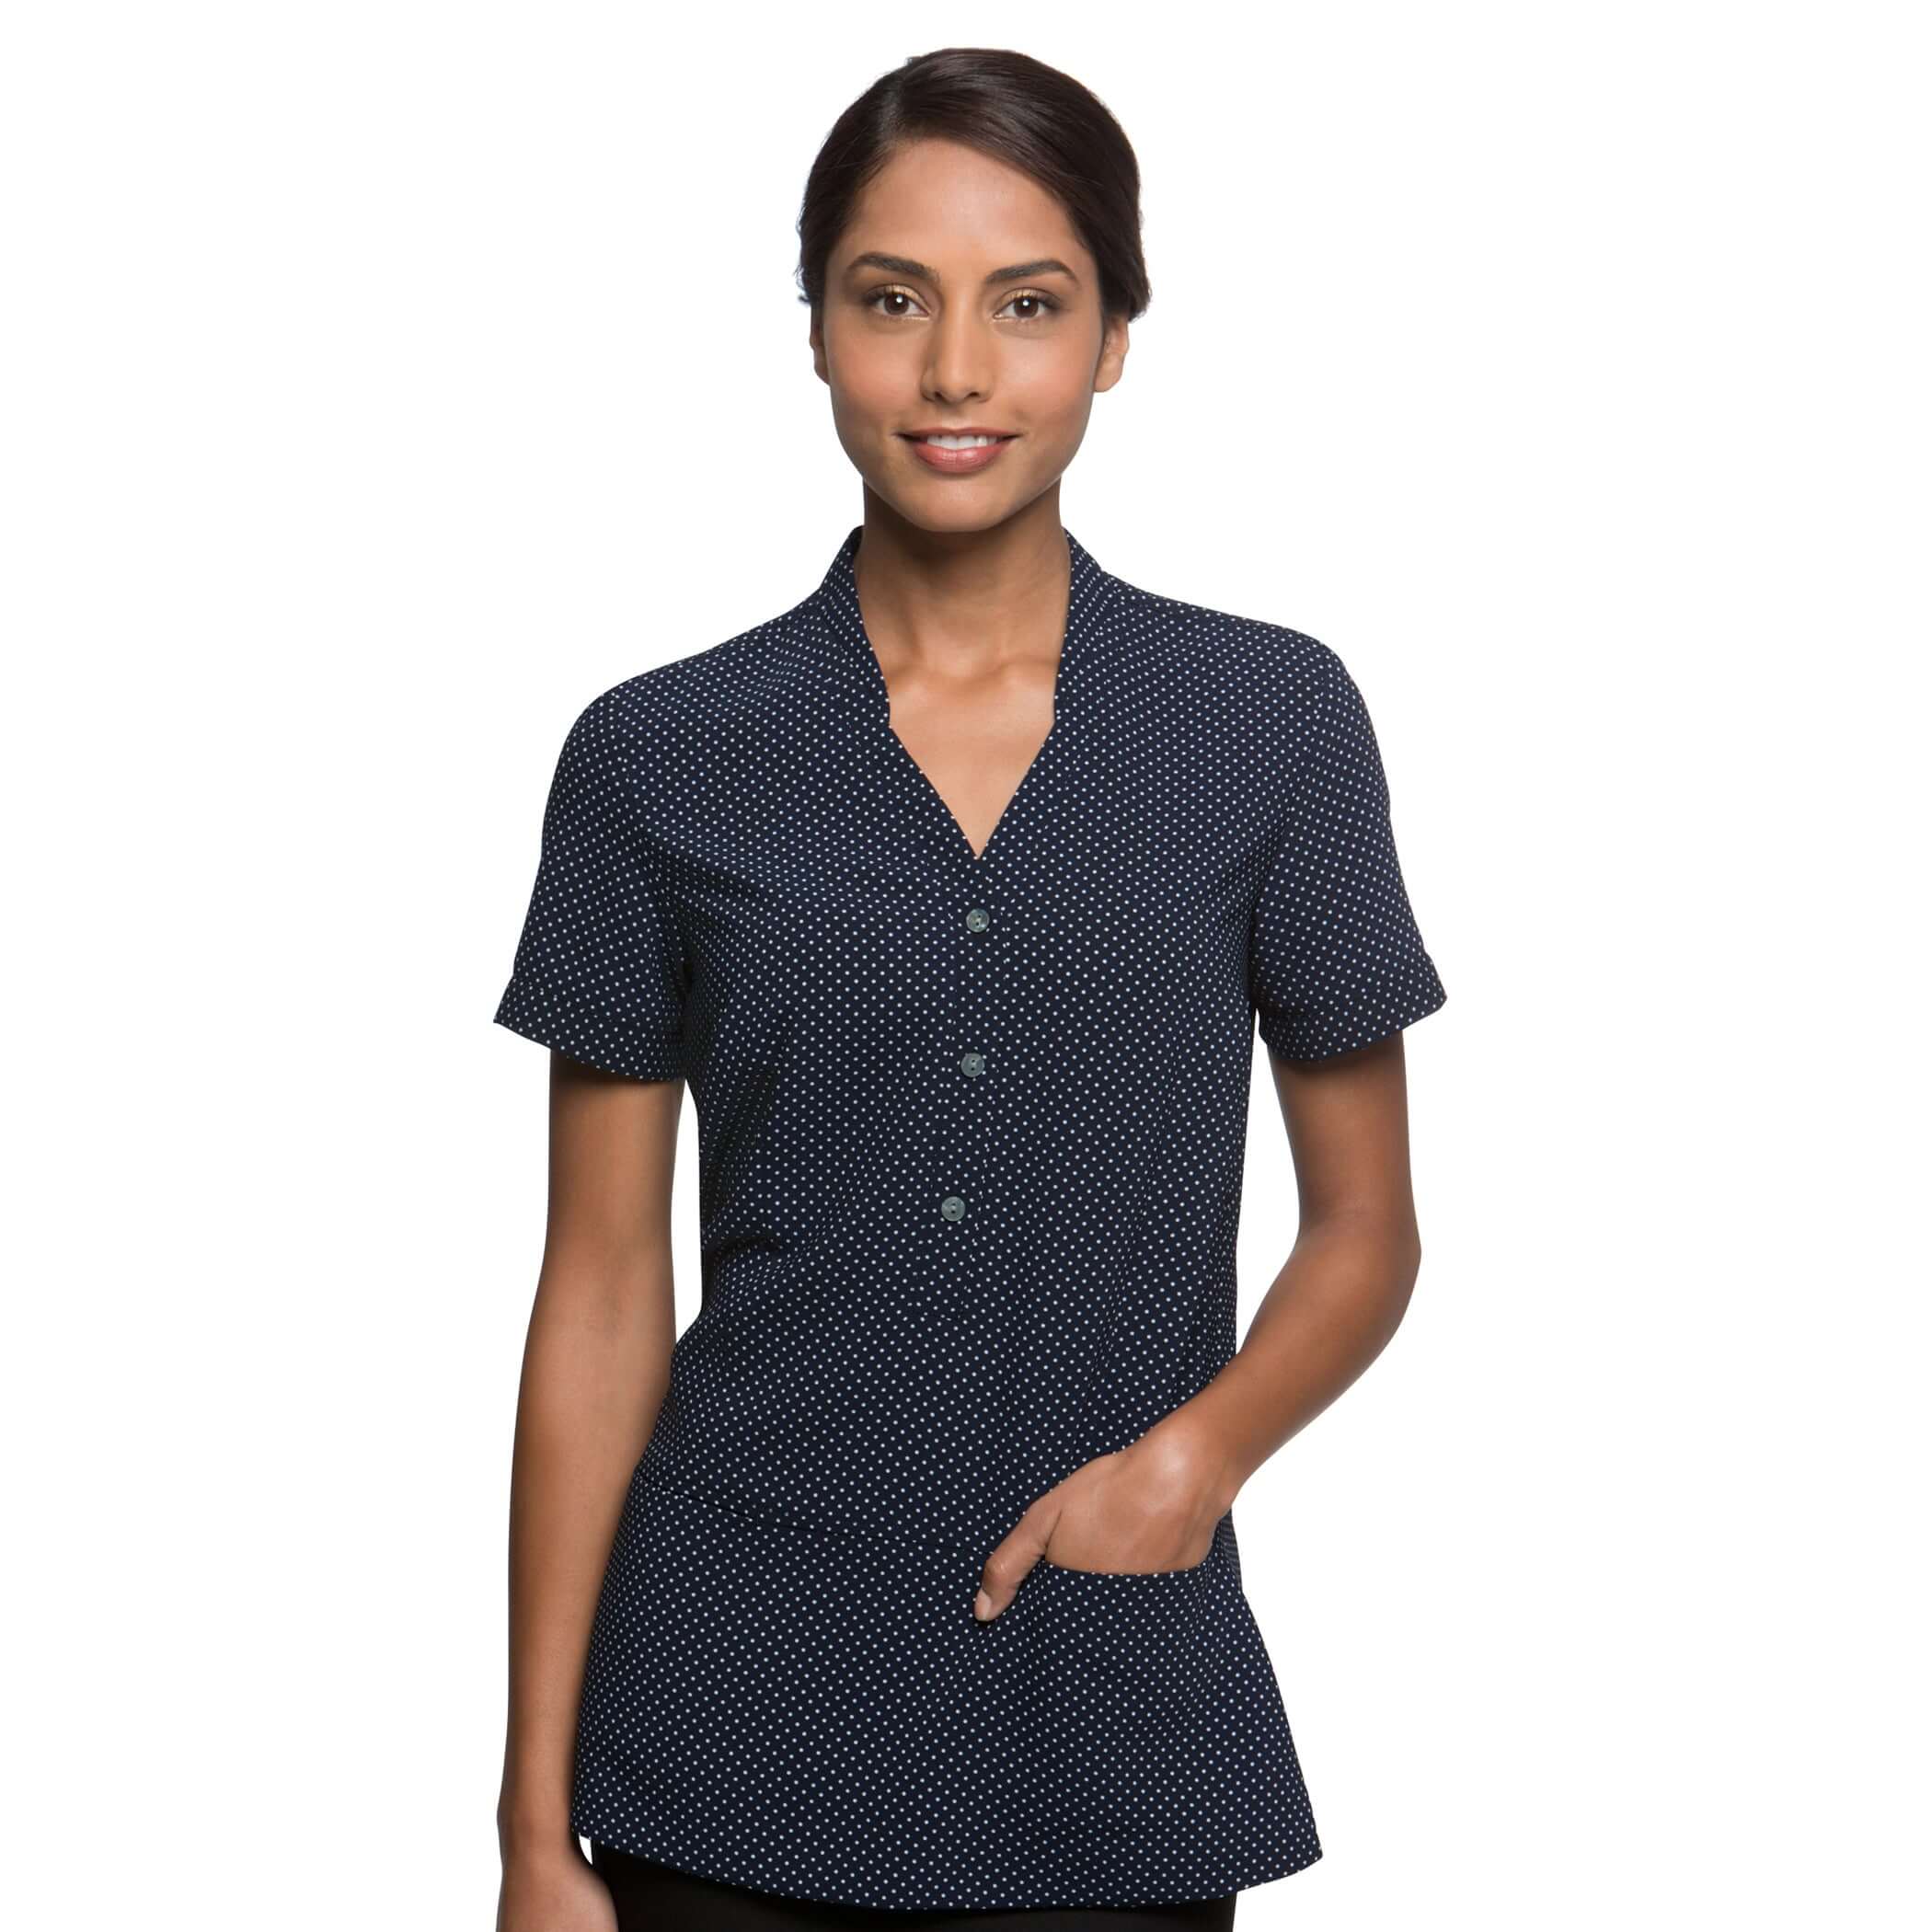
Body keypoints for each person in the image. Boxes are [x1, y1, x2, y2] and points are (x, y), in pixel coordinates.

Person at [491, 45, 1447, 1932]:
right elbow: (597, 1294)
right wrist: (529, 1826)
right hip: (717, 1704)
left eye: (1025, 304)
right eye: (890, 300)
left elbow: (1369, 1230)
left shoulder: (1268, 723)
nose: (953, 371)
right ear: (816, 330)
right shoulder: (658, 753)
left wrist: (1194, 1462)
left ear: (1112, 337)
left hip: (1107, 1702)